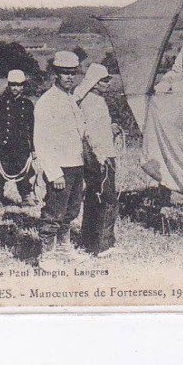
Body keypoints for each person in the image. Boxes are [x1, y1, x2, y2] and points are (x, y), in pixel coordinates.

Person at [33, 51, 87, 266]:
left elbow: (79, 131)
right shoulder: (47, 101)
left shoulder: (71, 99)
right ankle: (47, 254)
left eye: (73, 73)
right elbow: (42, 140)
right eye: (65, 73)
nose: (69, 77)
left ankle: (64, 248)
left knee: (72, 210)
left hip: (76, 163)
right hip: (60, 167)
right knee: (54, 211)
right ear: (55, 74)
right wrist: (54, 172)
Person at [74, 63, 121, 257]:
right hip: (100, 156)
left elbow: (96, 129)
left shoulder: (91, 100)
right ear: (94, 83)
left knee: (94, 196)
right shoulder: (93, 102)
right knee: (107, 198)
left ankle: (88, 240)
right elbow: (91, 134)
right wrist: (101, 157)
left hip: (96, 155)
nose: (108, 83)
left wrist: (111, 128)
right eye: (104, 80)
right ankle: (103, 244)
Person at [0, 69, 36, 209]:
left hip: (21, 147)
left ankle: (26, 196)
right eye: (13, 85)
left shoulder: (28, 104)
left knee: (24, 173)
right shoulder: (0, 103)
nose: (16, 88)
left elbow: (32, 128)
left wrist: (33, 149)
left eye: (19, 85)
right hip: (2, 146)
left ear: (23, 86)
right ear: (8, 85)